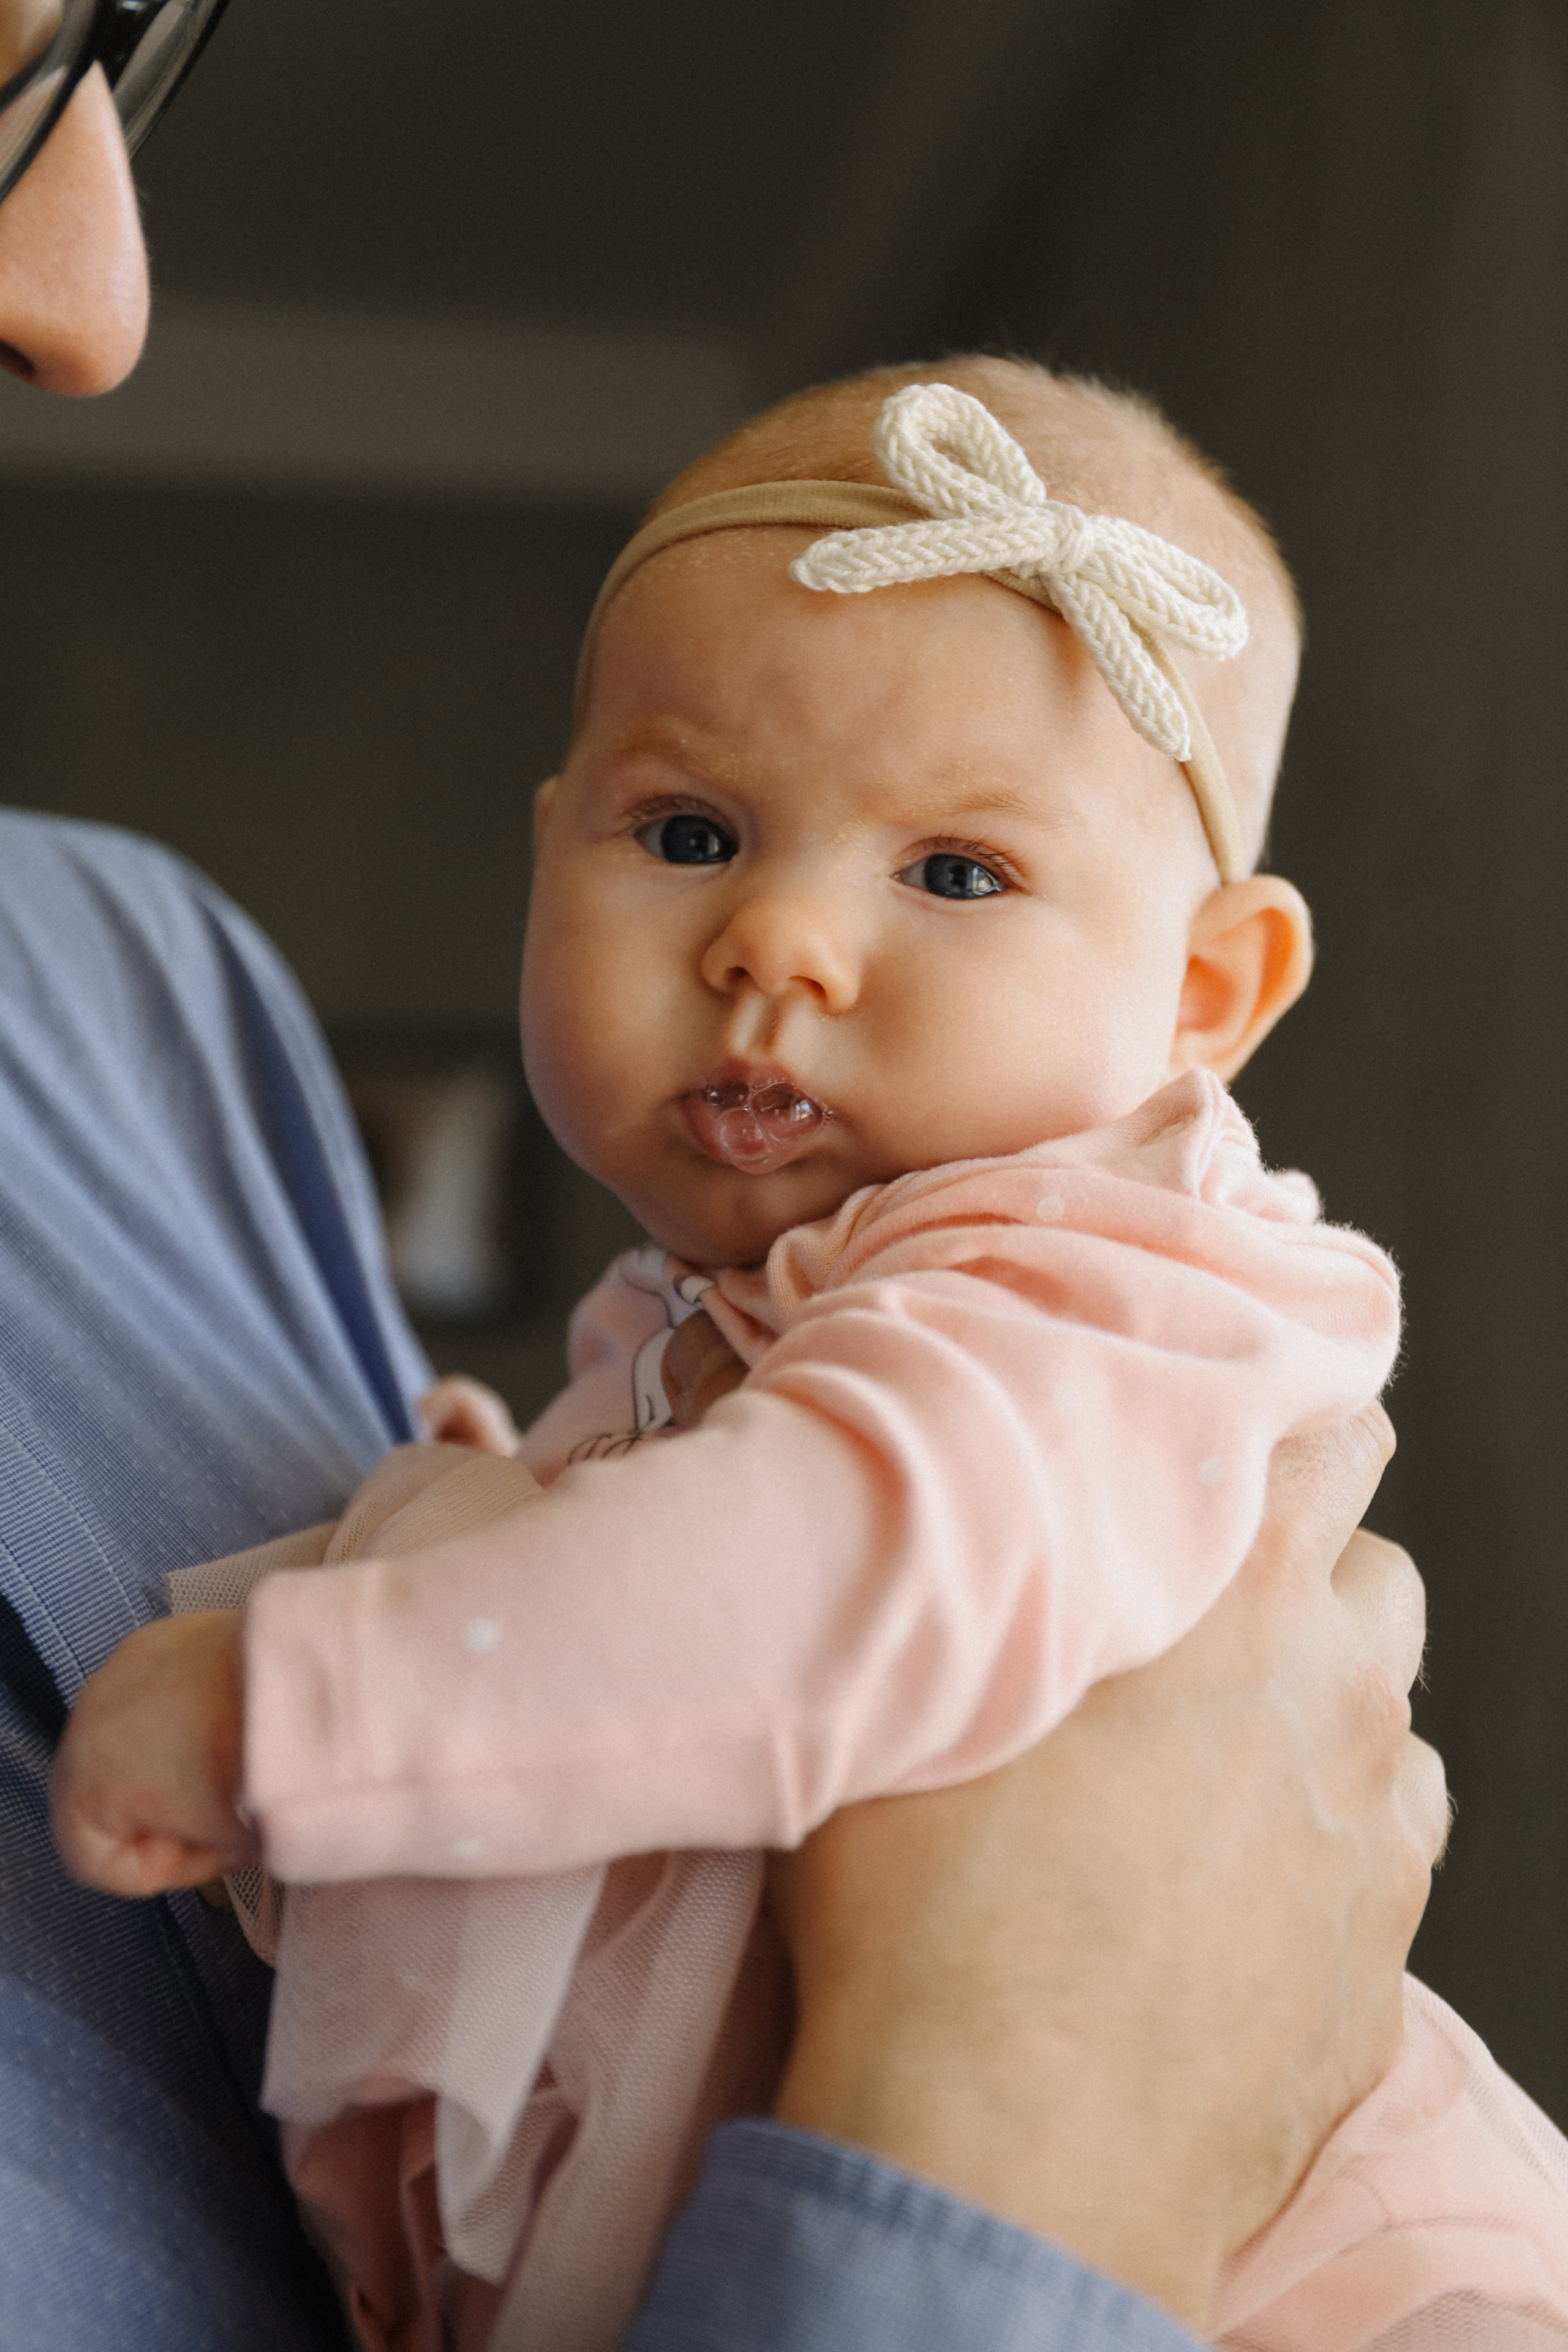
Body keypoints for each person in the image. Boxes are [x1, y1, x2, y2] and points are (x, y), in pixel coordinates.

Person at [0, 18, 1445, 2352]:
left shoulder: (1090, 1286)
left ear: (1205, 995)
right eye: (688, 834)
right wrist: (451, 1517)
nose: (782, 941)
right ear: (547, 846)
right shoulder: (707, 1322)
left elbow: (821, 1564)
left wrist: (307, 1695)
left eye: (957, 871)